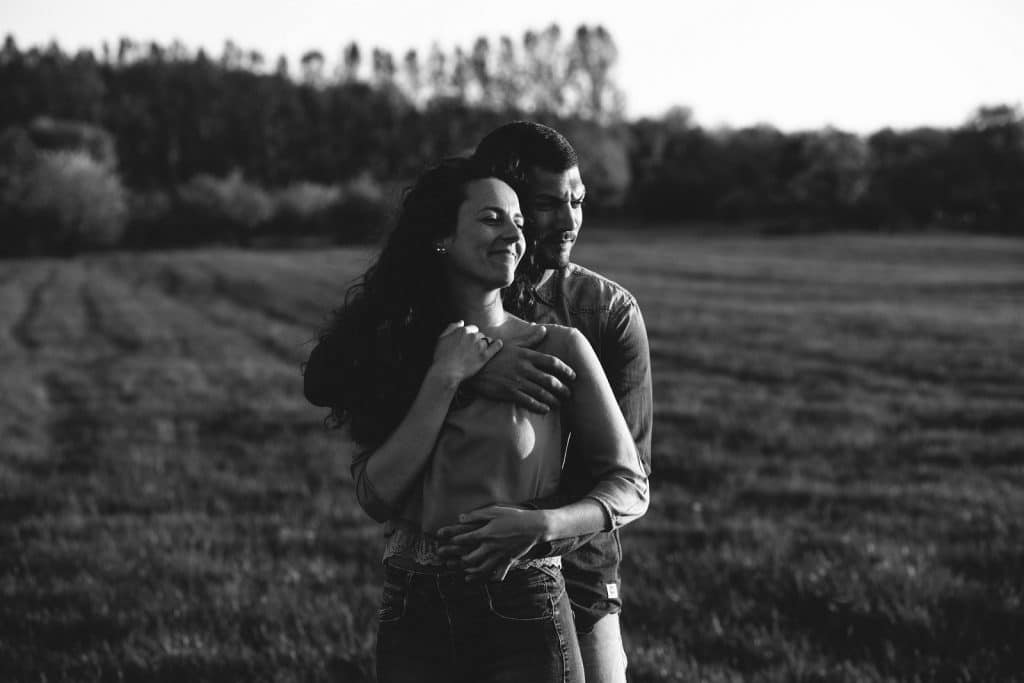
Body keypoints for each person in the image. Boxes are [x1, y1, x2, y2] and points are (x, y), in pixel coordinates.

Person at [306, 156, 648, 683]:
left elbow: (631, 485)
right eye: (491, 218)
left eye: (517, 219)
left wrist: (545, 525)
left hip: (522, 603)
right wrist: (446, 377)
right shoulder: (398, 353)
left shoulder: (557, 348)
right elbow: (377, 497)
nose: (515, 232)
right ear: (442, 235)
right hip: (412, 606)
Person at [433, 121, 654, 683]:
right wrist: (475, 366)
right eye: (549, 204)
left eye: (577, 201)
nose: (570, 221)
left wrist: (539, 528)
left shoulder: (608, 314)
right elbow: (334, 381)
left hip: (577, 576)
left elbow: (631, 479)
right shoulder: (433, 300)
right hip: (444, 576)